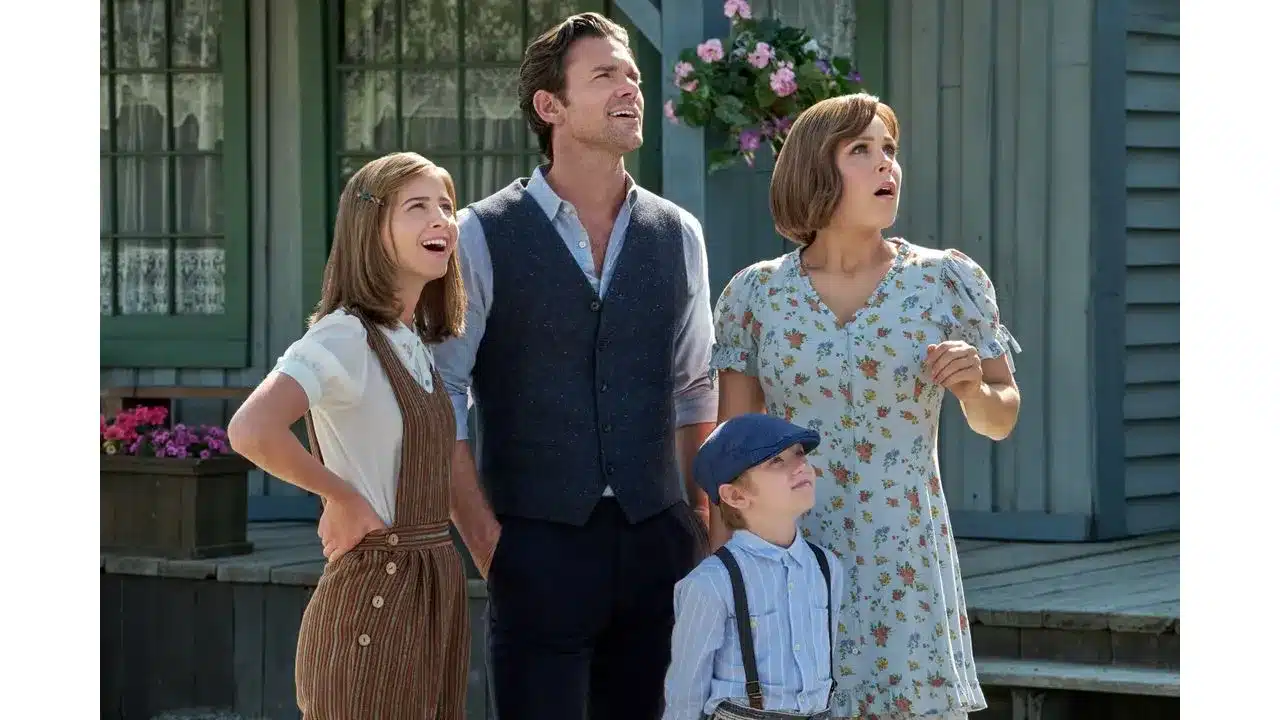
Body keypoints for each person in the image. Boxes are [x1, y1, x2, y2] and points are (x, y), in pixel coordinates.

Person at [433, 11, 719, 720]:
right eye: (605, 75)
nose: (630, 88)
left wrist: (700, 522)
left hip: (658, 542)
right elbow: (440, 392)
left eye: (633, 75)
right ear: (550, 105)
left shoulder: (678, 234)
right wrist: (487, 544)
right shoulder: (480, 234)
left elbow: (694, 387)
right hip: (536, 545)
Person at [711, 93, 1022, 719]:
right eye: (862, 150)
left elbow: (1002, 416)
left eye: (890, 150)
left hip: (905, 563)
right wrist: (726, 582)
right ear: (814, 169)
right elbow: (730, 458)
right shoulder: (756, 295)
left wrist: (972, 390)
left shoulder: (945, 281)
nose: (887, 165)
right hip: (794, 556)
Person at [227, 151, 471, 719]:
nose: (440, 219)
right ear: (371, 229)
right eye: (417, 207)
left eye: (445, 205)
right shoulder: (345, 336)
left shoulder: (410, 342)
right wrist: (340, 497)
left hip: (433, 590)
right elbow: (252, 429)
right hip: (376, 593)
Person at [664, 413, 843, 720]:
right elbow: (685, 696)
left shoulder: (827, 567)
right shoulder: (711, 583)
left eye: (799, 453)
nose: (800, 465)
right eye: (776, 461)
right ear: (735, 495)